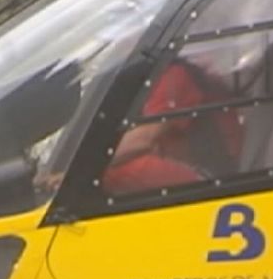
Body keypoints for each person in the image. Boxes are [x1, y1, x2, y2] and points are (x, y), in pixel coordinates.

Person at [102, 60, 241, 194]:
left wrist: (95, 161)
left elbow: (145, 138)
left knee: (109, 173)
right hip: (190, 163)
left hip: (212, 174)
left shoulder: (172, 76)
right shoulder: (154, 75)